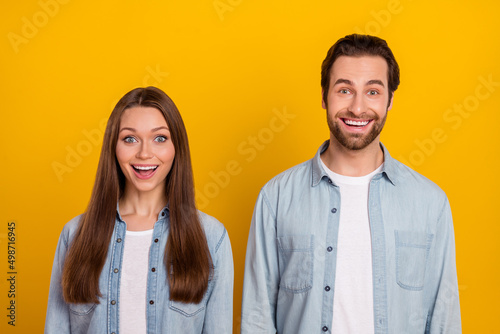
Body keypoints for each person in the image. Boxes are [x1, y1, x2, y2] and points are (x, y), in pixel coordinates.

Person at [241, 34, 461, 333]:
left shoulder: (430, 203)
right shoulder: (276, 198)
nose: (357, 108)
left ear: (390, 100)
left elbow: (443, 317)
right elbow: (257, 316)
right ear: (323, 96)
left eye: (372, 91)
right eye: (345, 90)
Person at [45, 87, 233, 333]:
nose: (144, 153)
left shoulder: (212, 237)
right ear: (114, 147)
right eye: (130, 139)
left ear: (177, 148)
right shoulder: (74, 235)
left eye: (160, 138)